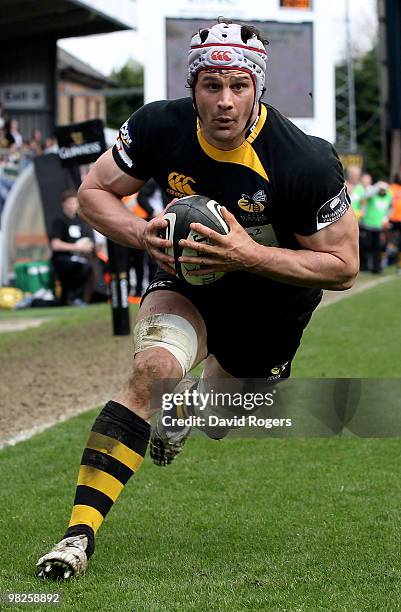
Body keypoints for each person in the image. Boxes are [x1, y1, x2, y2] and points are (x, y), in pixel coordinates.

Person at [36, 19, 359, 580]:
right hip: (186, 281)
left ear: (258, 87)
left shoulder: (306, 161)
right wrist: (143, 235)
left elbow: (343, 266)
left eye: (238, 86)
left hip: (273, 306)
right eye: (212, 86)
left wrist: (244, 254)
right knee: (150, 373)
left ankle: (190, 408)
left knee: (217, 418)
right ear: (193, 89)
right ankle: (76, 537)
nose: (225, 102)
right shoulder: (160, 125)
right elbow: (93, 193)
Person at [50, 189, 95, 306]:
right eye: (69, 203)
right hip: (62, 258)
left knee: (90, 267)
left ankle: (81, 298)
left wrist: (88, 247)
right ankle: (72, 298)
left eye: (74, 203)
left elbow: (87, 241)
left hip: (79, 257)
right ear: (63, 204)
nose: (72, 206)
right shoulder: (59, 221)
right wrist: (76, 247)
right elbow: (55, 245)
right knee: (82, 267)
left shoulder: (80, 221)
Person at [359, 181, 392, 273]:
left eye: (384, 189)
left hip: (378, 227)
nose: (382, 191)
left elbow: (390, 208)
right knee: (365, 247)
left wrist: (386, 218)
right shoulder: (372, 195)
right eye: (381, 189)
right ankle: (363, 267)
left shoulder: (388, 196)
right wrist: (376, 187)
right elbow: (364, 196)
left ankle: (376, 268)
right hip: (367, 225)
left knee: (377, 249)